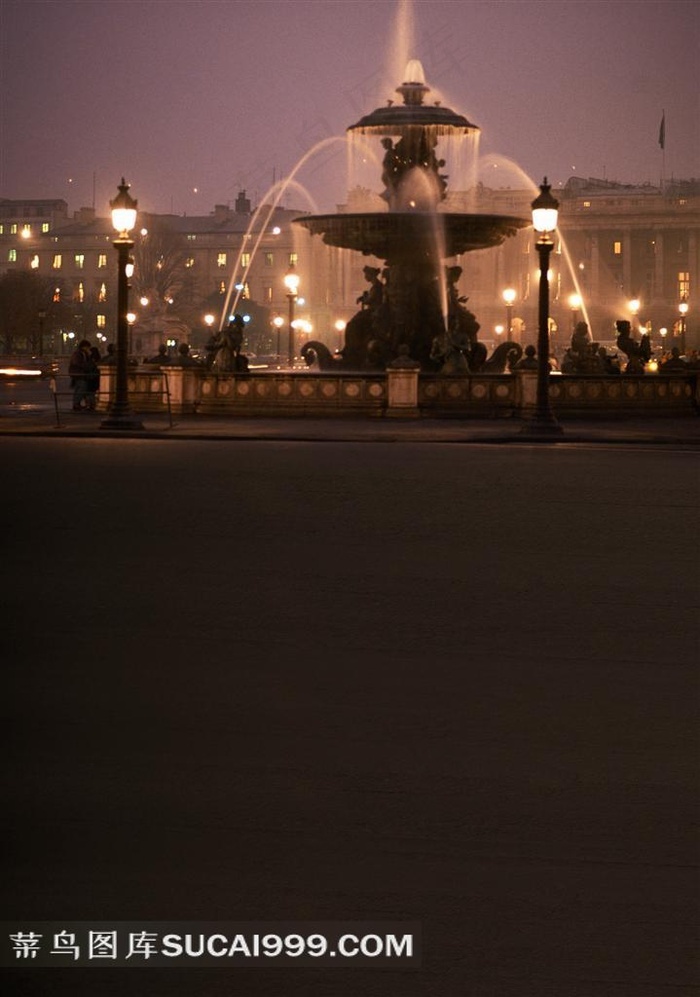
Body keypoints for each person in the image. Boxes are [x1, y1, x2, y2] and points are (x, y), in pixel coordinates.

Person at [68, 339, 96, 411]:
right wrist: (88, 366)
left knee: (80, 389)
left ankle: (77, 404)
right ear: (84, 347)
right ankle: (76, 404)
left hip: (79, 374)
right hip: (79, 374)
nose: (88, 349)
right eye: (88, 347)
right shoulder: (79, 354)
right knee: (81, 389)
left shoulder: (82, 353)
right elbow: (79, 363)